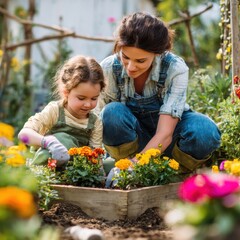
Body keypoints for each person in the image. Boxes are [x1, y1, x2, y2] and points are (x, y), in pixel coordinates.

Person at [97, 12, 221, 173]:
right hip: (132, 141)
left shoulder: (175, 69)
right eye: (125, 57)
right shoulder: (108, 68)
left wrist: (138, 165)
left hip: (169, 141)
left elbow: (165, 133)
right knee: (111, 113)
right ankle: (123, 169)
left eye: (140, 61)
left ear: (157, 53)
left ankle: (172, 173)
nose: (130, 67)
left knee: (204, 130)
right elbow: (101, 121)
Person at [18, 55, 105, 166]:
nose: (88, 104)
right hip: (46, 166)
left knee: (113, 165)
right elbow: (23, 135)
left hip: (75, 171)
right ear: (66, 92)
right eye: (81, 98)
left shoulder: (95, 122)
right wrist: (48, 142)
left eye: (94, 98)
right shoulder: (55, 111)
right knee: (64, 139)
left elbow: (96, 158)